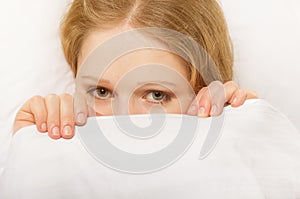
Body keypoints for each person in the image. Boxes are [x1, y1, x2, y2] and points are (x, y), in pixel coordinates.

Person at [13, 0, 257, 139]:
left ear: (202, 92)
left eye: (156, 95)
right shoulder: (43, 150)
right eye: (100, 92)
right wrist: (31, 156)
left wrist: (244, 150)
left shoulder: (234, 145)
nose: (123, 120)